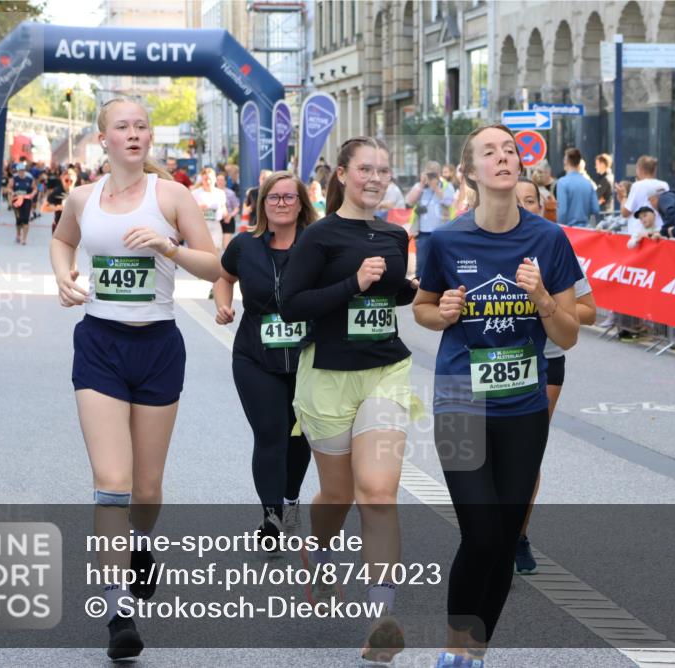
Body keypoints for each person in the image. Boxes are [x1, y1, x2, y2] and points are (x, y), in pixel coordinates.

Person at [49, 98, 221, 660]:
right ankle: (118, 608)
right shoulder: (82, 198)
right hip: (100, 344)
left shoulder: (171, 196)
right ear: (103, 138)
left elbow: (215, 264)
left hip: (158, 347)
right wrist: (62, 276)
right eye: (121, 126)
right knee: (112, 481)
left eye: (141, 125)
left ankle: (141, 544)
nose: (134, 133)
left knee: (146, 491)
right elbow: (61, 239)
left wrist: (168, 246)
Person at [413, 124, 581, 667]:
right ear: (471, 172)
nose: (503, 157)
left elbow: (569, 336)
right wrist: (442, 314)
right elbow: (423, 307)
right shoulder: (445, 240)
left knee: (505, 540)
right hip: (460, 400)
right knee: (481, 533)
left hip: (524, 407)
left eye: (509, 149)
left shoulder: (549, 241)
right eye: (490, 151)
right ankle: (450, 649)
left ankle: (475, 653)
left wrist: (541, 300)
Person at [279, 136, 420, 664]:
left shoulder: (393, 232)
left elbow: (394, 295)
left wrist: (416, 289)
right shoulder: (319, 237)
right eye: (365, 168)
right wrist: (352, 286)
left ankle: (382, 619)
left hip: (385, 370)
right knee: (336, 496)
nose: (376, 177)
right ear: (342, 173)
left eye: (383, 169)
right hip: (328, 377)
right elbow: (291, 305)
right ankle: (317, 552)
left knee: (378, 494)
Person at [212, 171, 317, 550]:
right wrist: (224, 304)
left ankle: (290, 498)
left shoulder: (319, 244)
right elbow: (222, 277)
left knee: (300, 434)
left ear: (302, 203)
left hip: (310, 357)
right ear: (262, 205)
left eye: (290, 197)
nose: (282, 203)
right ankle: (271, 517)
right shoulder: (244, 246)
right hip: (256, 356)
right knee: (271, 434)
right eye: (274, 198)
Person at [512, 177, 596, 576]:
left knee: (525, 453)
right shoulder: (480, 242)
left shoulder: (551, 244)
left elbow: (589, 311)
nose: (524, 207)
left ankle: (518, 535)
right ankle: (488, 532)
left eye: (531, 200)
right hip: (490, 359)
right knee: (486, 455)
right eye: (517, 200)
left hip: (545, 358)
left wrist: (547, 307)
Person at [406, 161, 455, 278]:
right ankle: (418, 290)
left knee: (441, 263)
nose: (431, 178)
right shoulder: (420, 187)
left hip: (441, 232)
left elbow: (449, 202)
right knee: (422, 265)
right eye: (429, 175)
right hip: (423, 233)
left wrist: (436, 188)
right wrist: (422, 185)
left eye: (433, 175)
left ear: (439, 175)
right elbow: (409, 201)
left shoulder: (447, 186)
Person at [621, 155, 669, 231]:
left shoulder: (637, 186)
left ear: (640, 169)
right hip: (659, 232)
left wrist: (623, 197)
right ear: (654, 170)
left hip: (640, 235)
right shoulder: (664, 185)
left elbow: (625, 213)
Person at [556, 148, 600, 227]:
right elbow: (596, 209)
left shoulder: (562, 183)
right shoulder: (588, 183)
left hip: (569, 231)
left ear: (566, 161)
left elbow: (562, 212)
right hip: (585, 230)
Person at [191, 167, 228, 251]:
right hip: (200, 226)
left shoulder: (220, 193)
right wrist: (199, 208)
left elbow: (224, 209)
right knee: (202, 252)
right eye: (205, 179)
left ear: (215, 179)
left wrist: (225, 215)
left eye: (210, 179)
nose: (208, 181)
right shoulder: (195, 193)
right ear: (202, 180)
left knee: (216, 250)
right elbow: (188, 211)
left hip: (215, 225)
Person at [43, 166, 78, 235]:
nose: (69, 183)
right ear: (62, 179)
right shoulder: (57, 191)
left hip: (74, 227)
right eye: (66, 180)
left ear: (75, 179)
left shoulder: (78, 191)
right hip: (59, 225)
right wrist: (57, 207)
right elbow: (45, 207)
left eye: (71, 180)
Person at [9, 162, 35, 245]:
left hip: (26, 200)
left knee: (25, 220)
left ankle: (24, 239)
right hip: (16, 201)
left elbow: (35, 188)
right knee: (19, 220)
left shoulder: (29, 179)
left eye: (22, 170)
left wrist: (32, 194)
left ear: (24, 170)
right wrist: (12, 192)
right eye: (19, 171)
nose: (21, 172)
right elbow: (8, 188)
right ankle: (18, 234)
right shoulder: (14, 178)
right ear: (17, 171)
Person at [216, 172, 241, 248]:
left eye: (222, 180)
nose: (220, 182)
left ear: (225, 182)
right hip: (215, 221)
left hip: (228, 220)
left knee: (226, 246)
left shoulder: (231, 193)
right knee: (217, 245)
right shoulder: (212, 193)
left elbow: (236, 207)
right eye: (218, 180)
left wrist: (230, 216)